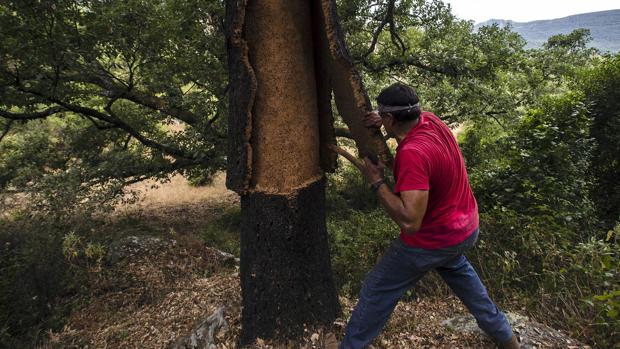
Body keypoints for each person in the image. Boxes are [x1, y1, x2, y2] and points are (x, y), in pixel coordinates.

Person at [329, 83, 520, 349]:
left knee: (376, 289)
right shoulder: (431, 120)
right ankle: (507, 338)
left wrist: (376, 182)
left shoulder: (412, 154)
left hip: (434, 238)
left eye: (384, 117)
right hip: (465, 228)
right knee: (463, 278)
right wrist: (381, 118)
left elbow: (410, 221)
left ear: (391, 119)